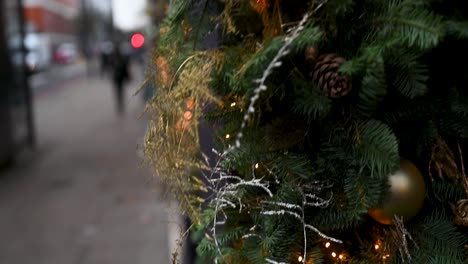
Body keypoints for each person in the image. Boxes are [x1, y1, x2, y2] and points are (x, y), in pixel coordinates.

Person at [112, 45, 130, 115]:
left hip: (118, 78)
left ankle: (120, 103)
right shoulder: (119, 58)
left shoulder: (115, 58)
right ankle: (120, 103)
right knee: (120, 91)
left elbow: (125, 68)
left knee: (119, 91)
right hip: (119, 78)